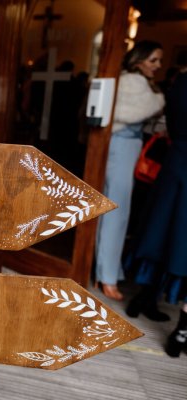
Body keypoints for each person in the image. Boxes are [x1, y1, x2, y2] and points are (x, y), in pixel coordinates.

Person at [125, 55, 187, 354]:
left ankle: (143, 298)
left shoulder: (179, 84)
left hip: (175, 164)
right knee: (180, 240)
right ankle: (182, 331)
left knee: (162, 231)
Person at [95, 41, 165, 301]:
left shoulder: (135, 82)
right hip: (121, 147)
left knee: (115, 211)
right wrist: (160, 99)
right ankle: (107, 277)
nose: (158, 66)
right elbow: (129, 112)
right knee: (116, 212)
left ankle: (106, 272)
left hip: (125, 147)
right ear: (139, 60)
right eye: (154, 60)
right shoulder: (132, 82)